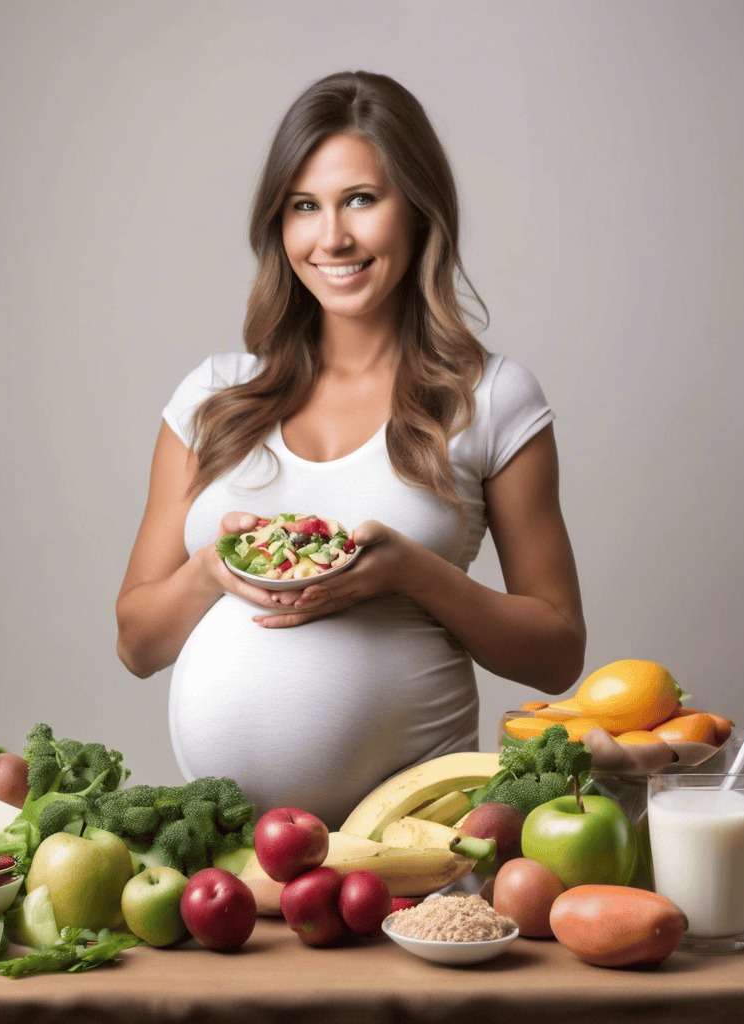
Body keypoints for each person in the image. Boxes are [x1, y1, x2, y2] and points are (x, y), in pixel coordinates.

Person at [116, 71, 585, 829]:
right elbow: (137, 643)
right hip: (231, 861)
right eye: (305, 206)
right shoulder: (212, 397)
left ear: (419, 209)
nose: (331, 237)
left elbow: (558, 652)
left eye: (361, 200)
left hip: (413, 846)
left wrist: (413, 574)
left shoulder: (493, 397)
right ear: (280, 225)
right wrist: (212, 571)